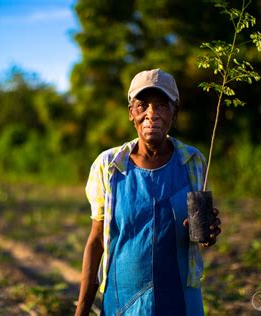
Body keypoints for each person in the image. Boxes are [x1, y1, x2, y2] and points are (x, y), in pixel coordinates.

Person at [75, 69, 222, 316]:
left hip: (180, 301)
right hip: (123, 300)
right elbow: (98, 239)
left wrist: (207, 234)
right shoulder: (108, 165)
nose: (151, 114)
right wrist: (81, 311)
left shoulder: (192, 161)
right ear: (131, 113)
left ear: (174, 112)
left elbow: (200, 234)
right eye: (142, 105)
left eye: (162, 105)